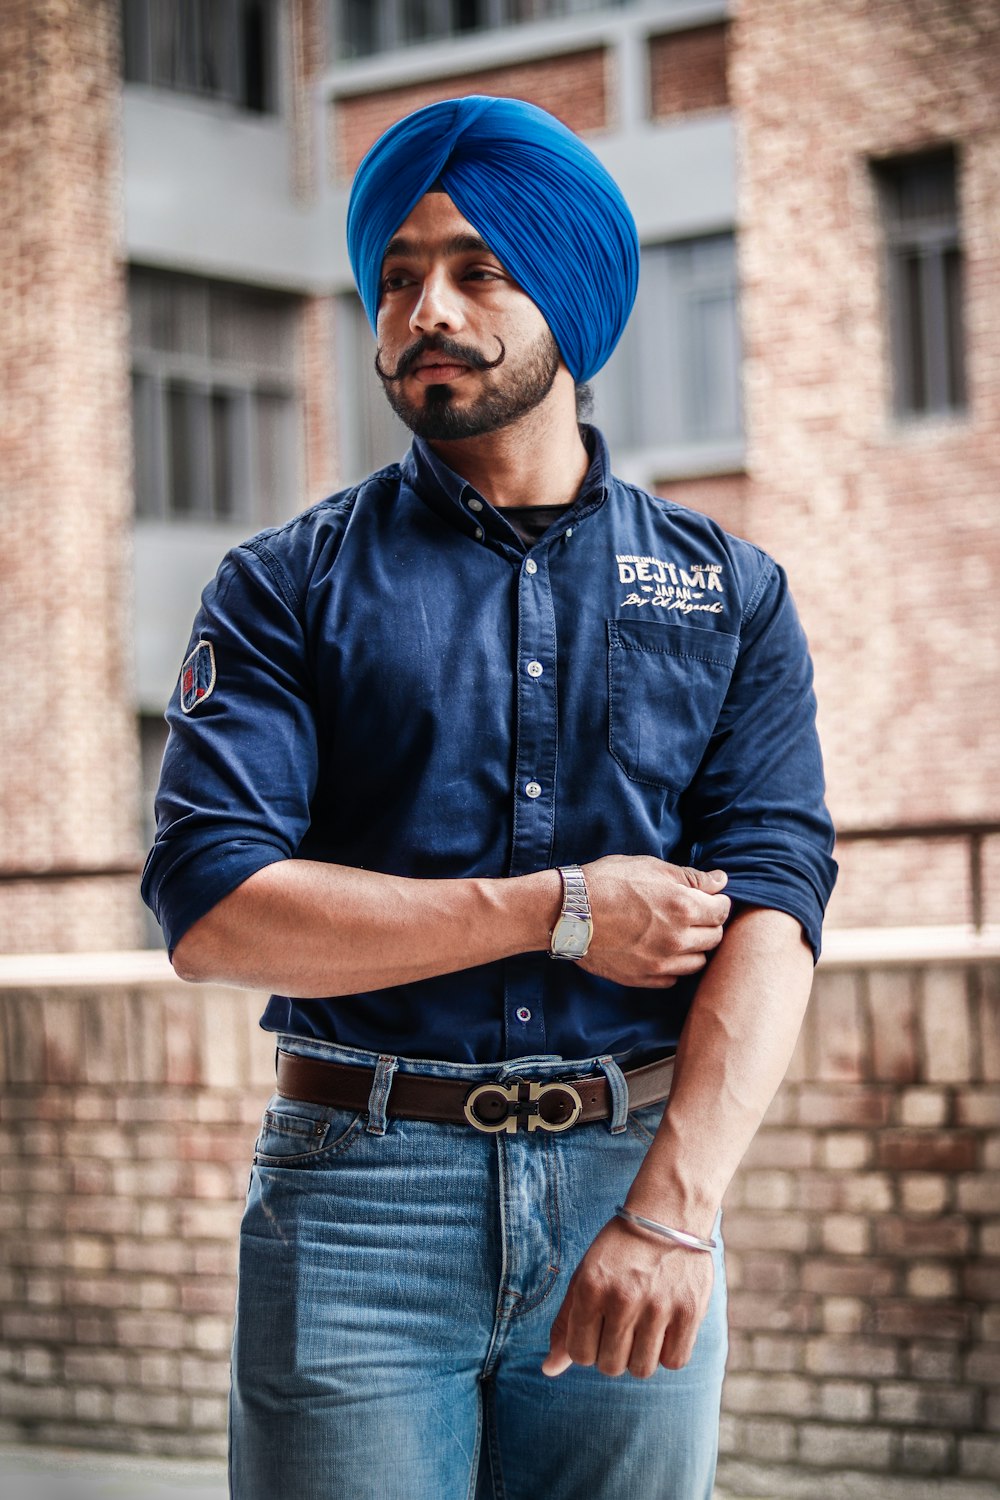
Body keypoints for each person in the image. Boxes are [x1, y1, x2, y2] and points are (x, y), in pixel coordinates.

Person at [142, 96, 837, 1500]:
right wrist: (560, 912)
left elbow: (778, 904)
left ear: (569, 295)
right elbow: (215, 909)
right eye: (396, 279)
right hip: (357, 1199)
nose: (425, 311)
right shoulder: (284, 585)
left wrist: (677, 1211)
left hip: (632, 1185)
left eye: (477, 269)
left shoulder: (729, 592)